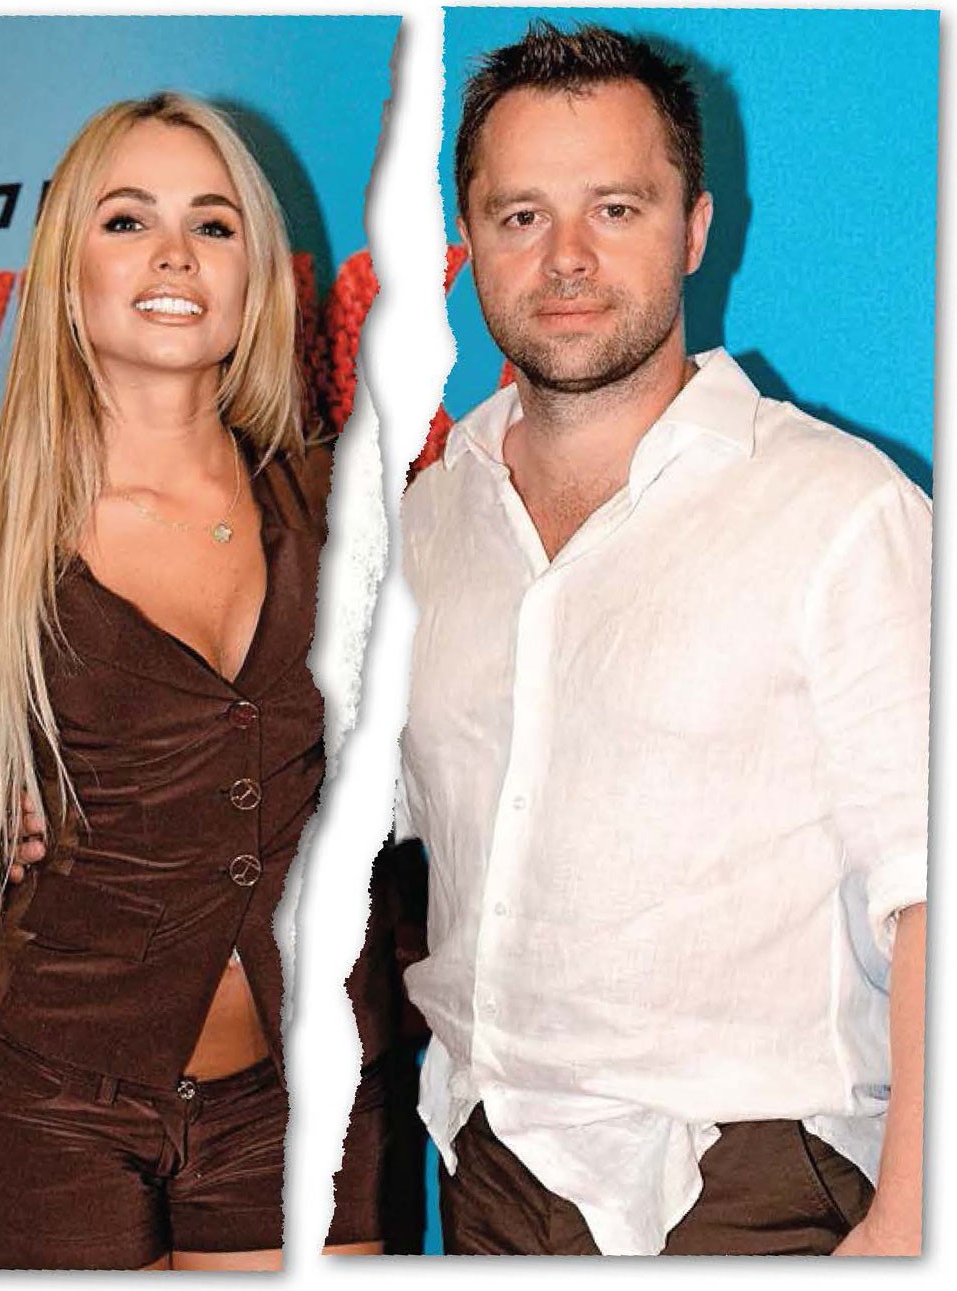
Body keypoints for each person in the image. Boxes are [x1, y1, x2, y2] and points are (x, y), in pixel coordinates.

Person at [0, 91, 384, 1269]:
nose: (175, 253)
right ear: (66, 270)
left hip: (307, 1099)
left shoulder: (345, 507)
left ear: (254, 276)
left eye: (212, 224)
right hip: (52, 1110)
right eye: (127, 220)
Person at [398, 22, 929, 1257]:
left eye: (615, 208)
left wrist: (908, 1220)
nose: (565, 258)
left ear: (691, 229)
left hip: (744, 1184)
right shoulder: (426, 522)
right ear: (467, 240)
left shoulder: (842, 513)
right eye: (520, 215)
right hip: (486, 1165)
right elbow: (358, 812)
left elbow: (931, 888)